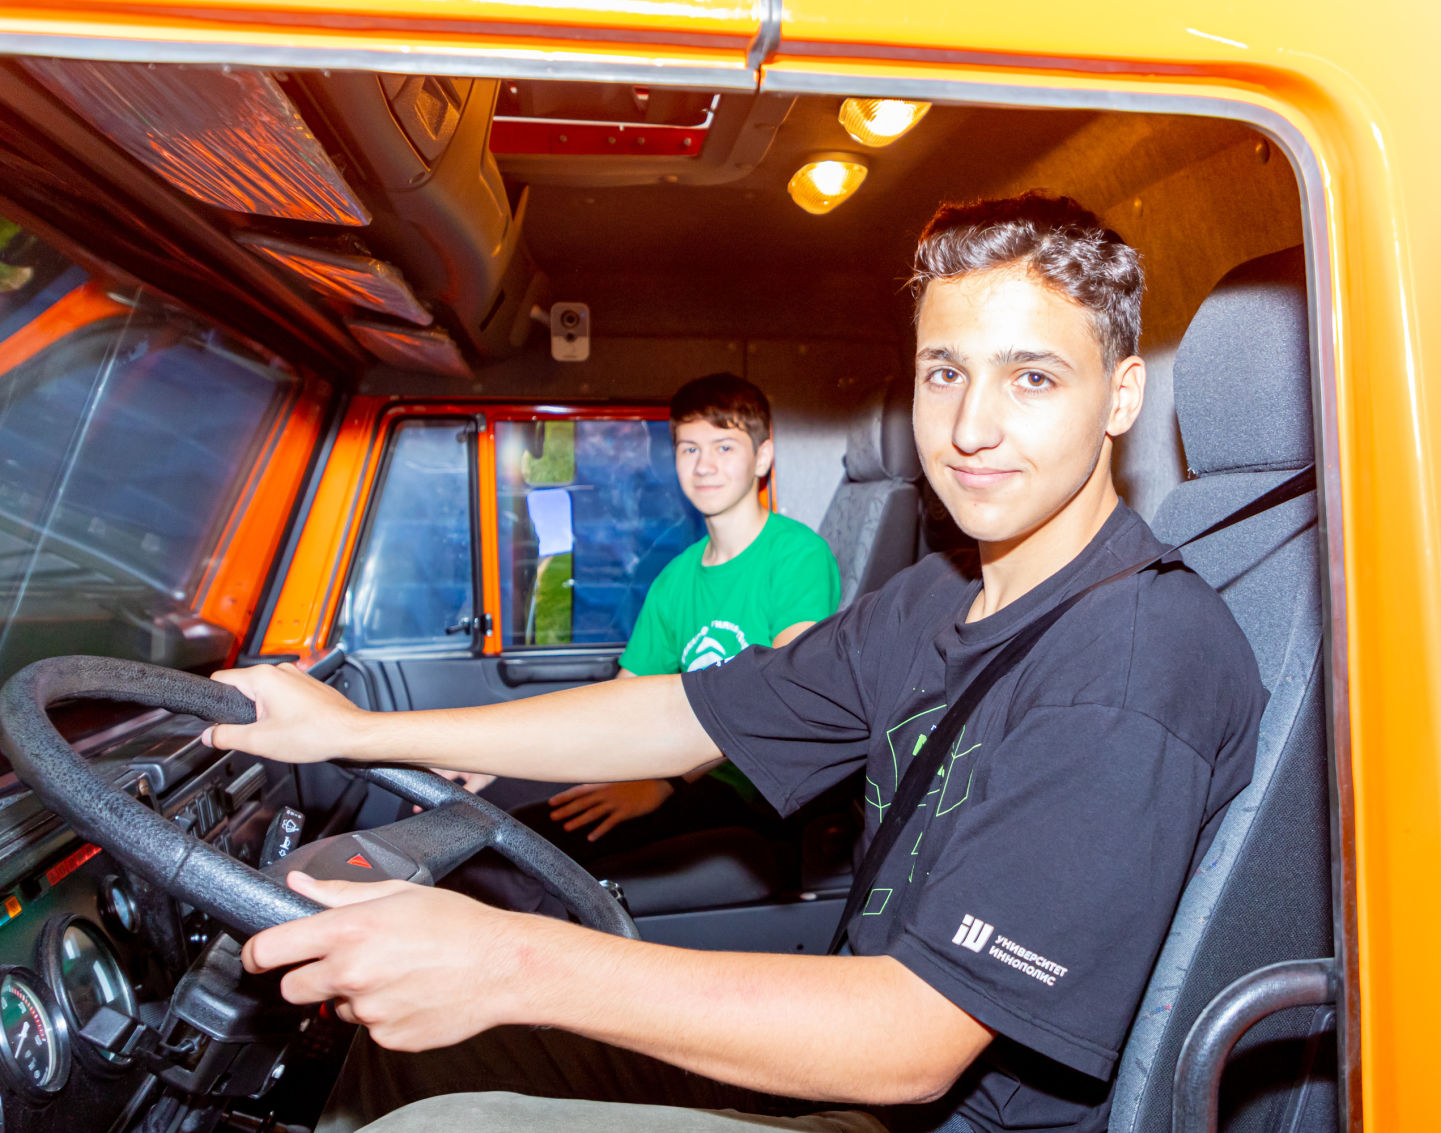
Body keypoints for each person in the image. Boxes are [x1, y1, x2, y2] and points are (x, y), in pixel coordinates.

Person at [205, 192, 1266, 1133]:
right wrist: (353, 729)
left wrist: (506, 959)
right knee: (405, 1052)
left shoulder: (1134, 665)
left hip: (921, 1105)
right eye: (945, 372)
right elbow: (681, 713)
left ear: (1121, 396)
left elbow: (914, 1040)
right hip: (858, 1057)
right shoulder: (938, 592)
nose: (971, 427)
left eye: (1032, 377)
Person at [503, 373, 841, 857]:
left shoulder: (798, 556)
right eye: (689, 449)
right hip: (677, 762)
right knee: (507, 818)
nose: (704, 466)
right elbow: (619, 701)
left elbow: (780, 699)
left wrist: (664, 783)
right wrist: (493, 759)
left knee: (536, 852)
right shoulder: (676, 577)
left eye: (724, 447)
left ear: (762, 457)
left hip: (754, 789)